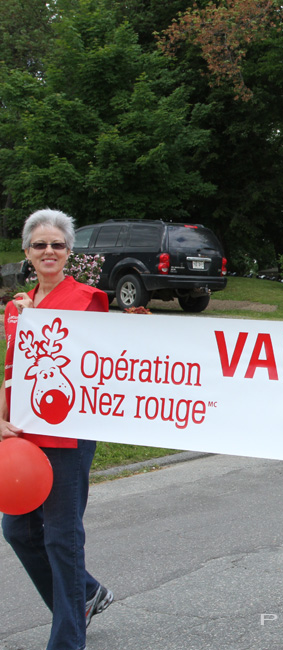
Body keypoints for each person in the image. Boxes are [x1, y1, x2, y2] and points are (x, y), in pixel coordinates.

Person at [1, 209, 114, 650]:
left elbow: (109, 363)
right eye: (40, 244)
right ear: (27, 251)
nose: (49, 251)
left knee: (61, 536)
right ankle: (85, 594)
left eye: (58, 244)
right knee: (17, 530)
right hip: (23, 436)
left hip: (68, 433)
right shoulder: (16, 307)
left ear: (69, 252)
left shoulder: (88, 299)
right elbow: (13, 369)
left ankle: (68, 641)